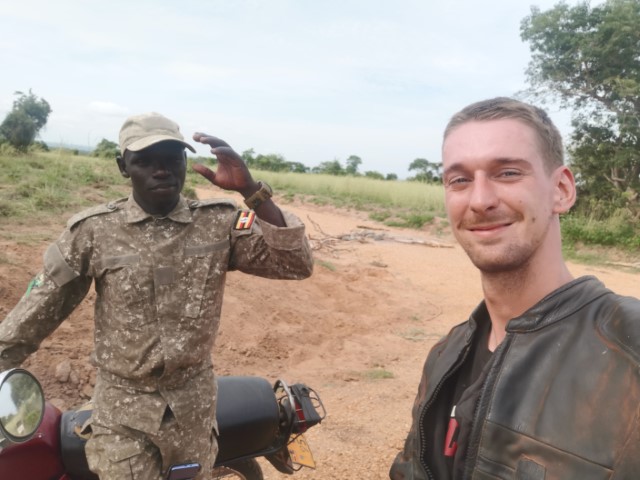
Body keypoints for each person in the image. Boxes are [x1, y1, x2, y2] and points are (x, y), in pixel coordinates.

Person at [0, 112, 314, 479]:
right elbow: (37, 311)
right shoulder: (94, 232)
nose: (161, 170)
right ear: (123, 167)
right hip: (123, 416)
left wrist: (252, 192)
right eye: (145, 161)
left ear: (184, 163)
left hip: (193, 411)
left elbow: (296, 264)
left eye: (171, 158)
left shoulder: (217, 222)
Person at [390, 97, 640, 480]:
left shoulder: (629, 353)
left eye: (507, 173)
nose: (480, 201)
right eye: (459, 180)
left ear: (561, 190)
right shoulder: (445, 354)